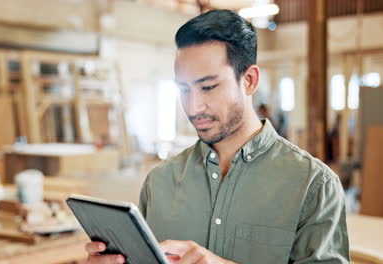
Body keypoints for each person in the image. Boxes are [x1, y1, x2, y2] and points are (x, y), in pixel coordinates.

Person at [84, 9, 349, 264]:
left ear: (249, 80)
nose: (193, 107)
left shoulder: (313, 186)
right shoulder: (159, 182)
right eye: (183, 90)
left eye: (208, 87)